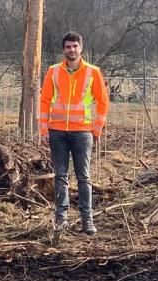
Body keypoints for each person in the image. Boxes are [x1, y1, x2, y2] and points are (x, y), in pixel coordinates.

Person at [39, 31, 110, 235]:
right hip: (57, 131)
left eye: (75, 46)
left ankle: (87, 220)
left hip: (82, 132)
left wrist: (96, 129)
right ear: (64, 50)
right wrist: (44, 129)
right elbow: (44, 101)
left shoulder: (92, 72)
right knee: (60, 176)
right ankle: (61, 219)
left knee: (84, 177)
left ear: (81, 48)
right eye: (68, 47)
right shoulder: (53, 71)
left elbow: (103, 102)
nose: (72, 50)